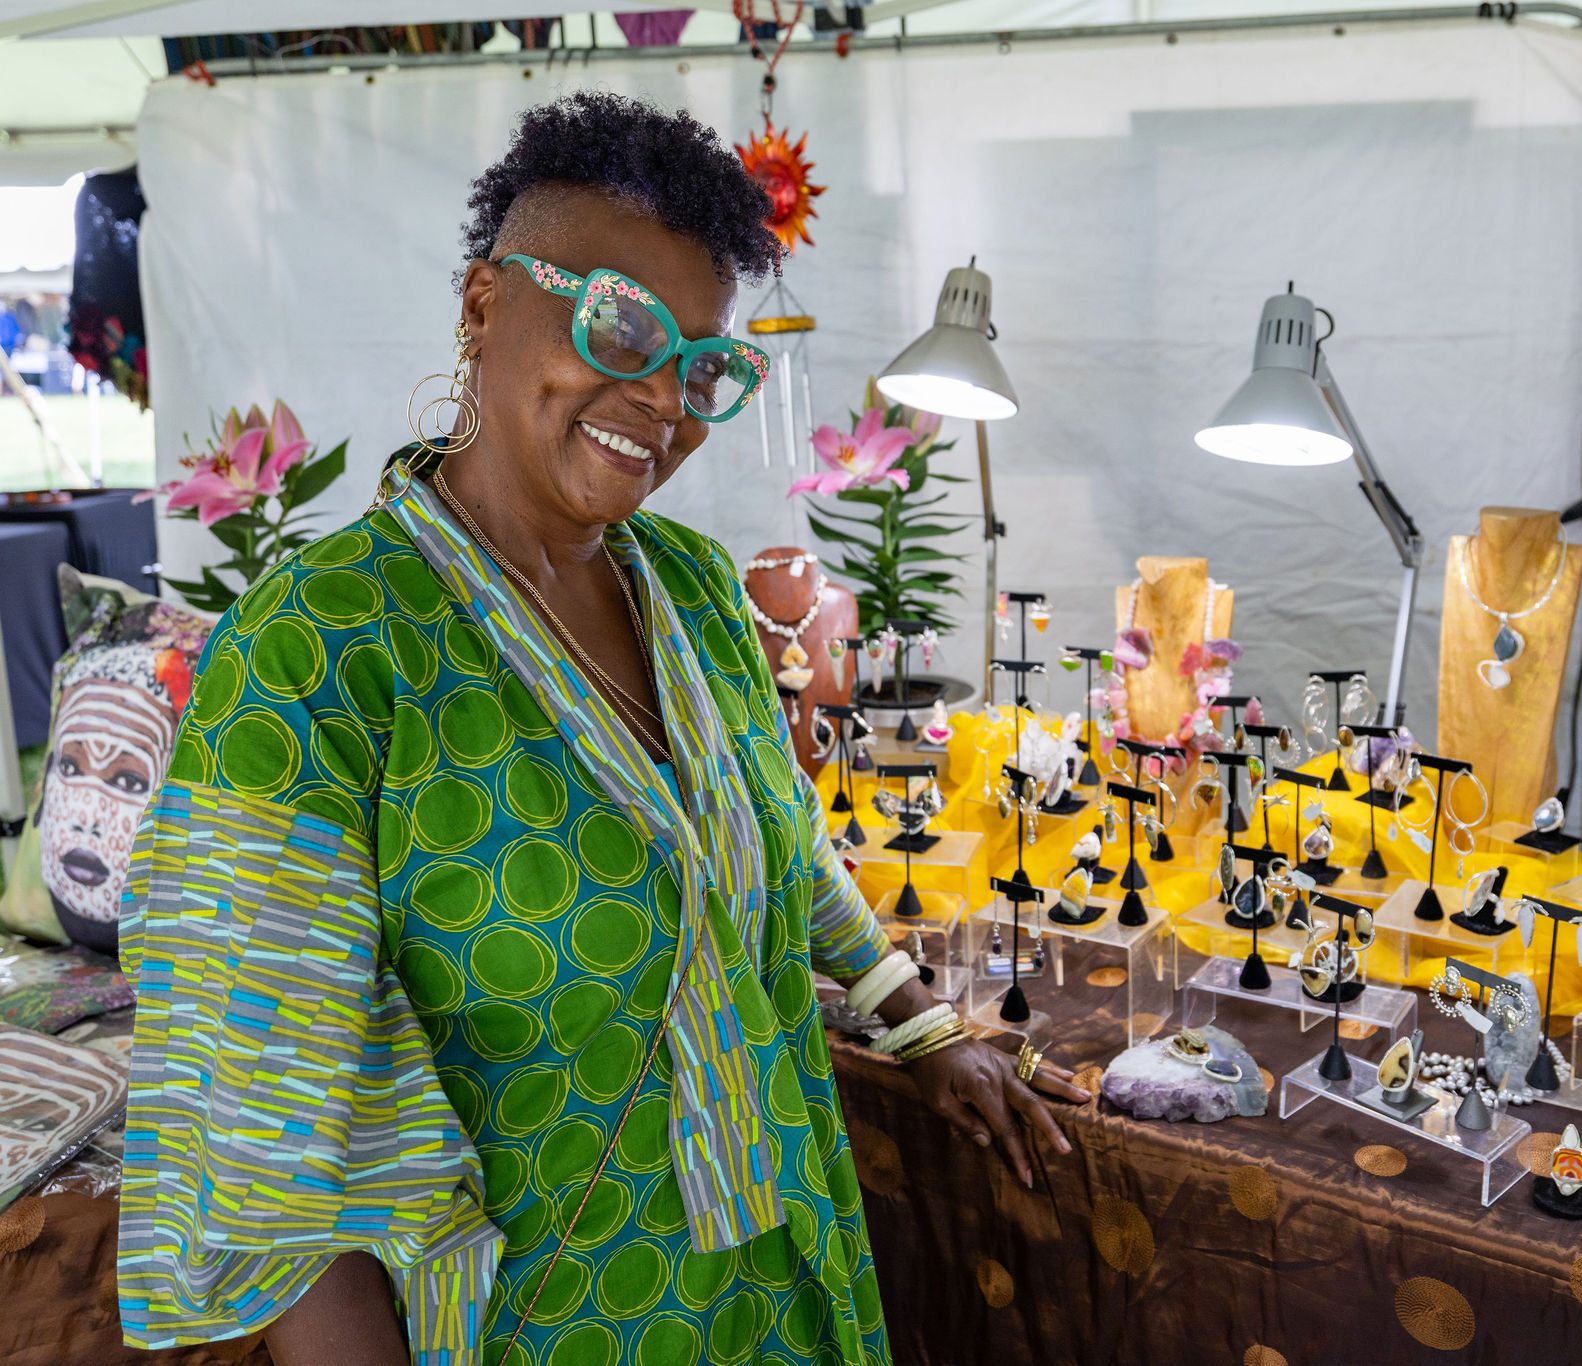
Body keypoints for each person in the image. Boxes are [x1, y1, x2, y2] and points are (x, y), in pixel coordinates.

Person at [116, 91, 1085, 1366]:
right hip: (544, 1321)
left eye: (701, 366)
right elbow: (263, 1149)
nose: (661, 396)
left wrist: (920, 1024)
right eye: (618, 324)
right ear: (483, 305)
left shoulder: (691, 589)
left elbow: (775, 844)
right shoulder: (316, 652)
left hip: (785, 1278)